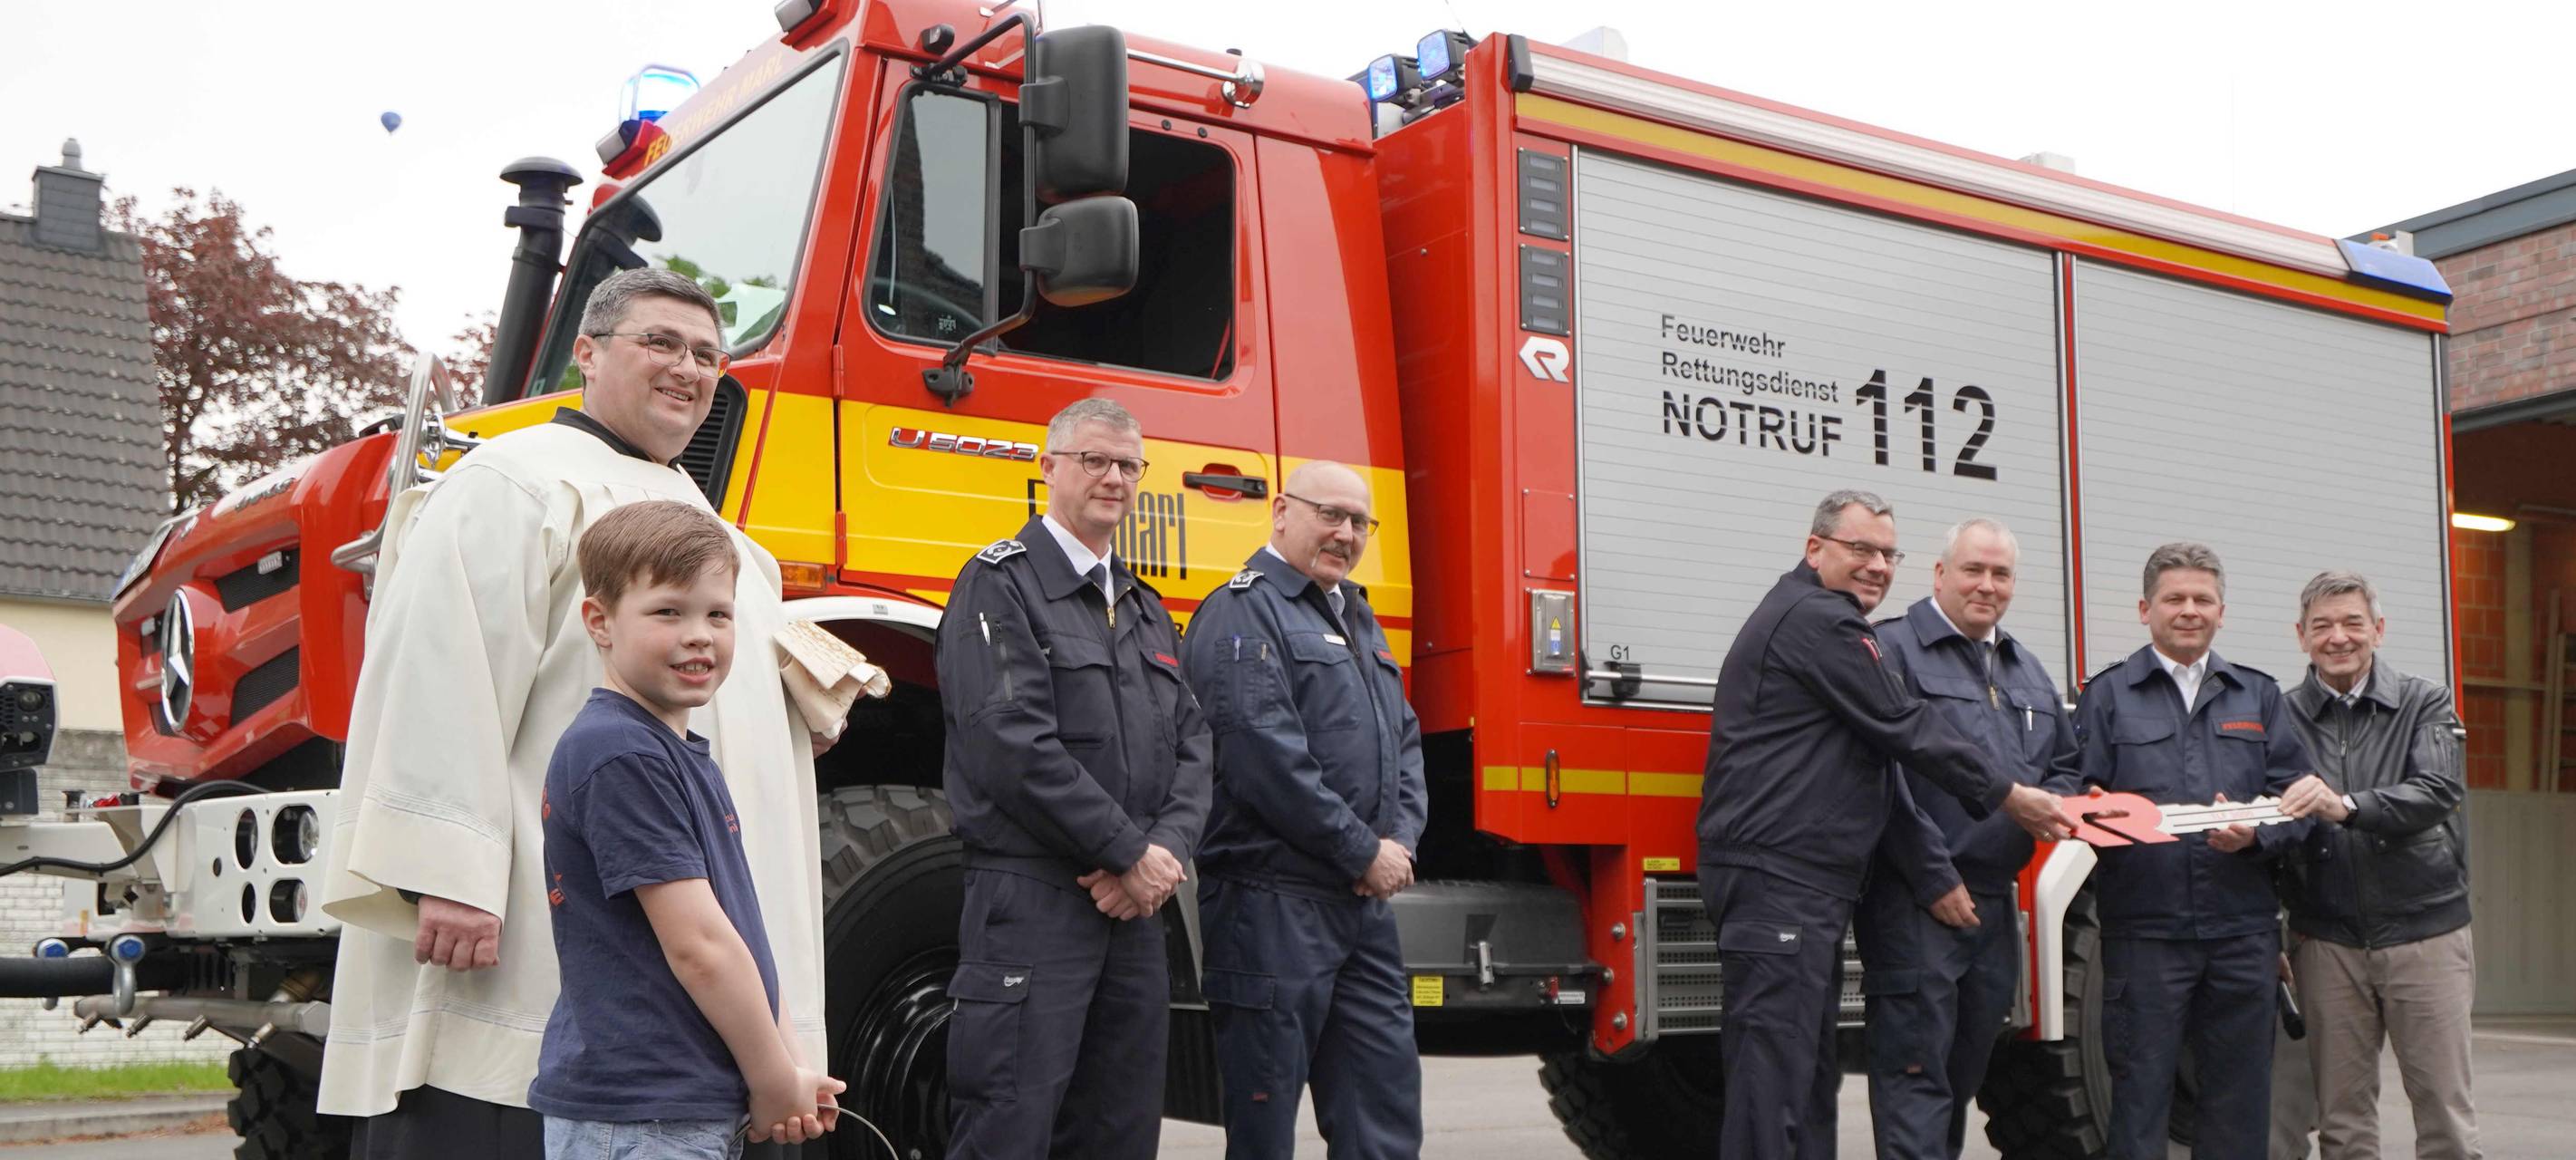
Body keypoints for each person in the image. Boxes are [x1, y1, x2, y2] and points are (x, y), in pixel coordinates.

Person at [317, 268, 833, 1158]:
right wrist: (449, 866)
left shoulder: (715, 526)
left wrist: (802, 703)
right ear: (586, 354)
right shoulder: (513, 482)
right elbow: (441, 666)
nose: (686, 368)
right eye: (660, 343)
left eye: (706, 355)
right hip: (543, 934)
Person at [1697, 489, 2069, 1160]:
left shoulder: (1823, 618)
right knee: (1773, 1085)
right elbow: (1902, 726)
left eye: (1884, 553)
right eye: (1858, 549)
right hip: (1778, 879)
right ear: (1815, 549)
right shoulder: (1821, 622)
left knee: (1804, 1079)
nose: (1875, 566)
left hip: (1805, 885)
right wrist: (2006, 794)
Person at [934, 398, 1213, 1160]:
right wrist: (1128, 851)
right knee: (1008, 1125)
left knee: (1119, 1130)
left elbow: (1194, 745)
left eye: (1128, 465)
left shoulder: (1148, 610)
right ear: (1049, 467)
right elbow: (1007, 741)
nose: (1113, 477)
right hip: (1034, 900)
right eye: (1094, 459)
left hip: (1133, 913)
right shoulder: (999, 585)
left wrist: (1159, 858)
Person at [529, 501, 842, 1157]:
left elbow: (739, 931)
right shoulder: (621, 755)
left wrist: (787, 1067)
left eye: (718, 614)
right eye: (668, 611)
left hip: (677, 1103)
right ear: (600, 621)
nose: (699, 635)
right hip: (643, 1114)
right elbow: (698, 945)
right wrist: (770, 1077)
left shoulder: (676, 753)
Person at [1180, 461, 1425, 1159]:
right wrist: (1362, 852)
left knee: (1383, 1111)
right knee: (1263, 1124)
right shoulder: (1242, 610)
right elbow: (1263, 759)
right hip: (1271, 904)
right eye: (1330, 515)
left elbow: (1401, 742)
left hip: (1359, 908)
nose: (1345, 534)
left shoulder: (1356, 614)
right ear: (1281, 510)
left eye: (1359, 523)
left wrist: (1398, 843)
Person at [2074, 542, 2314, 1160]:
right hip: (2144, 935)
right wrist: (2097, 815)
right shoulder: (2106, 696)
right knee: (2138, 1103)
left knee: (2237, 1107)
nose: (2188, 610)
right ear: (2144, 608)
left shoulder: (2256, 697)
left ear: (2221, 611)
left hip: (2241, 935)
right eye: (2173, 598)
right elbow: (2069, 792)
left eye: (2201, 599)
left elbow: (2297, 799)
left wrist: (2256, 835)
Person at [1857, 518, 2082, 1160]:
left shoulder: (2025, 667)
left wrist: (2053, 805)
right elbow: (1879, 779)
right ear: (1938, 573)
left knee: (1960, 1072)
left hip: (1992, 897)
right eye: (1972, 570)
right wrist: (1932, 877)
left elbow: (2065, 764)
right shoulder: (1890, 651)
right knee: (1914, 1072)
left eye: (2000, 574)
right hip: (1917, 896)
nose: (1986, 586)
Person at [2275, 569, 2481, 1160]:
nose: (2337, 637)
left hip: (2425, 932)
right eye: (2321, 626)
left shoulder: (2425, 701)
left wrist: (2345, 807)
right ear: (2300, 636)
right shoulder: (2280, 717)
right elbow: (2269, 827)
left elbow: (2436, 789)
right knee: (2342, 1126)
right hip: (2325, 941)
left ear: (2378, 630)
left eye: (2351, 623)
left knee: (2444, 1116)